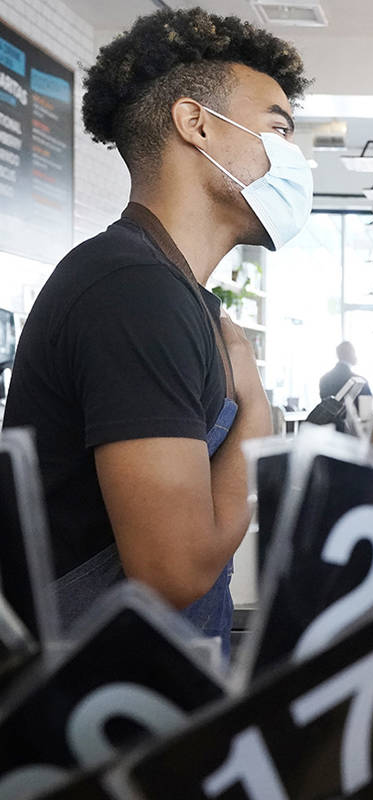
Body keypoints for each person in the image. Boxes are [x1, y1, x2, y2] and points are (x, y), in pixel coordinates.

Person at [2, 9, 311, 657]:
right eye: (277, 129)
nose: (294, 158)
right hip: (101, 721)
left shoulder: (177, 291)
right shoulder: (132, 292)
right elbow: (172, 573)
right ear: (197, 124)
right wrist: (256, 422)